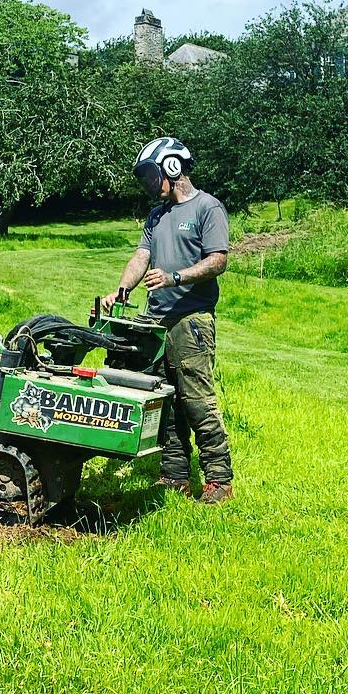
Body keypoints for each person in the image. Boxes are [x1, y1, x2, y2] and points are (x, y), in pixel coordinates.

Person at [105, 137, 234, 503]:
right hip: (156, 323)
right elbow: (141, 256)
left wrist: (175, 277)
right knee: (165, 402)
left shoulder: (208, 208)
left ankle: (219, 481)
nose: (149, 184)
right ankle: (175, 475)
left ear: (173, 167)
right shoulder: (156, 215)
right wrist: (122, 289)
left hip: (191, 321)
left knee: (197, 402)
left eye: (152, 175)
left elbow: (218, 260)